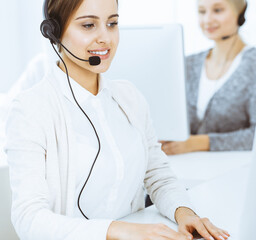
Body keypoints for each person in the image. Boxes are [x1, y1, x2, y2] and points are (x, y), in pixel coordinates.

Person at [4, 0, 230, 239]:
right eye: (89, 25)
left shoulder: (128, 97)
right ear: (54, 32)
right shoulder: (32, 109)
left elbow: (158, 175)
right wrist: (116, 230)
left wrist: (185, 213)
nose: (106, 38)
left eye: (112, 23)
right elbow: (28, 218)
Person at [161, 0, 256, 155]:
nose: (208, 20)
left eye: (217, 10)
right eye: (202, 12)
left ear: (241, 11)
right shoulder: (188, 64)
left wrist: (199, 143)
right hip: (186, 167)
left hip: (233, 168)